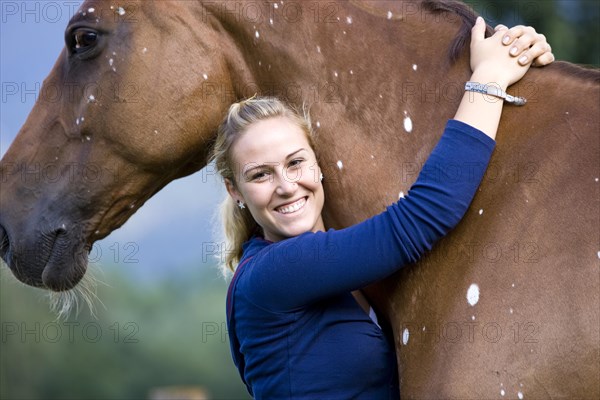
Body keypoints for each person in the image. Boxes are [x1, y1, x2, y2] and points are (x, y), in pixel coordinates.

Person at [210, 17, 554, 399]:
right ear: (234, 190)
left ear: (318, 163)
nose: (287, 186)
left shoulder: (339, 269)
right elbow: (423, 215)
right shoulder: (273, 271)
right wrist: (490, 78)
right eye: (260, 175)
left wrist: (518, 54)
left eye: (295, 163)